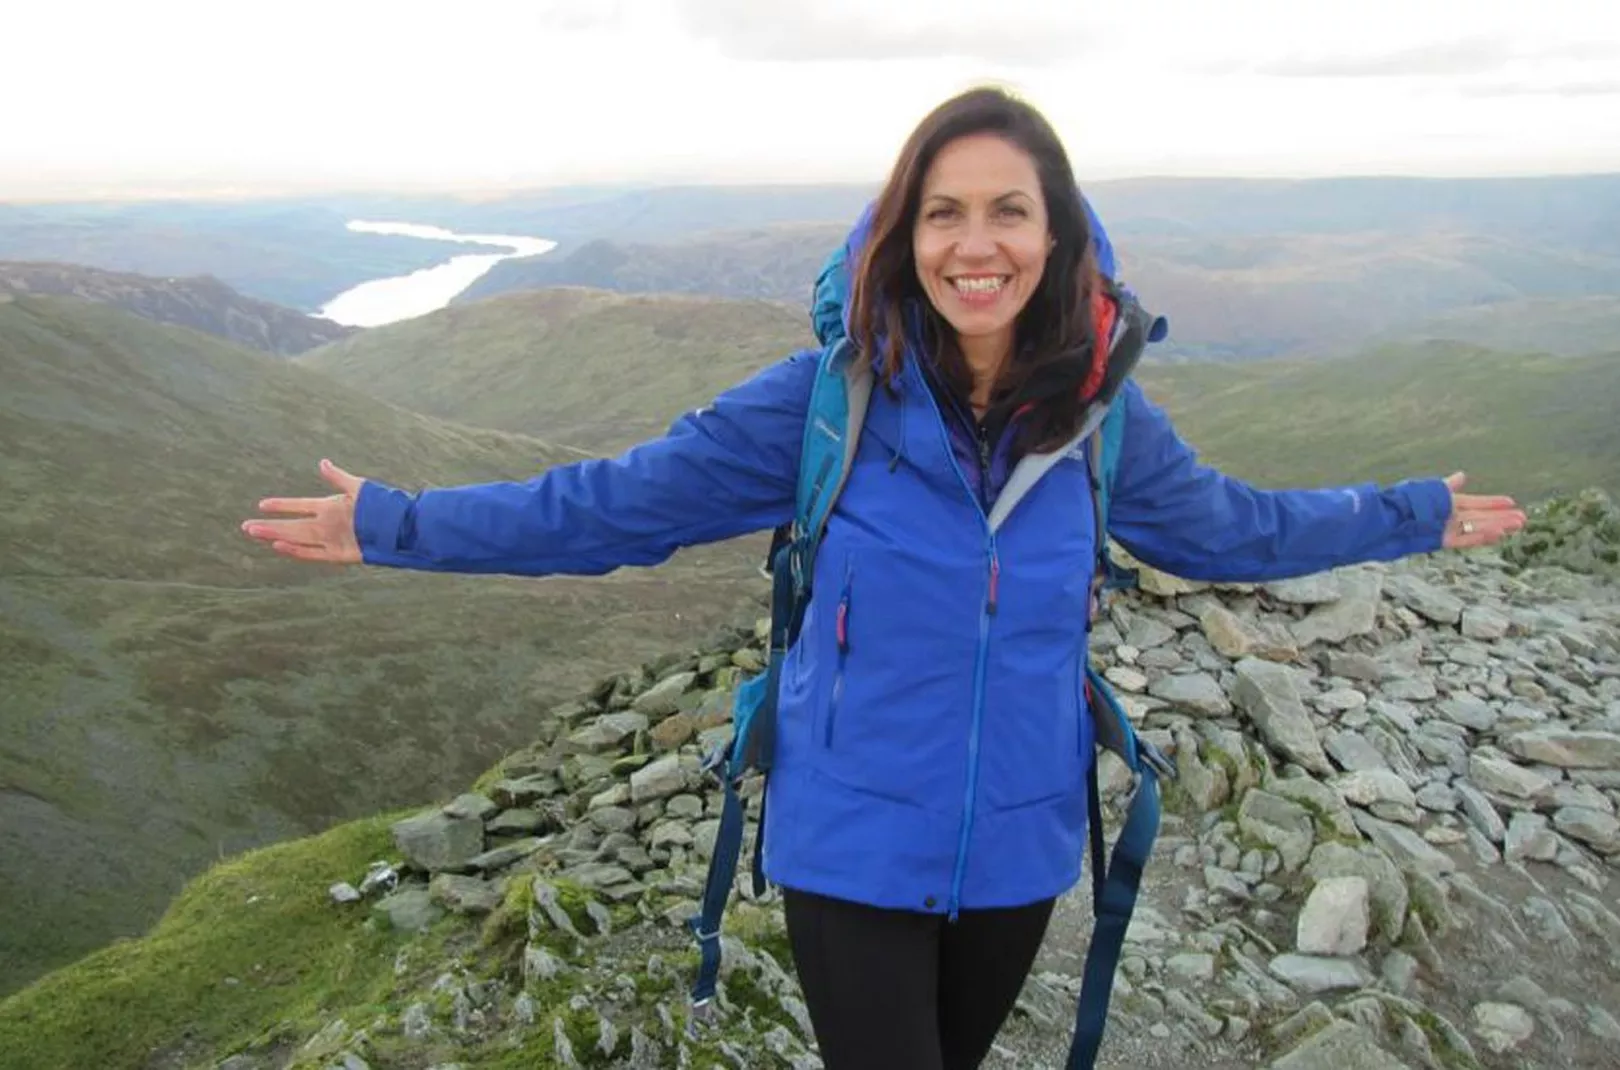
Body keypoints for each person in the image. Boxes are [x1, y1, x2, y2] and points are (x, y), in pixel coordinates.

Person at [242, 87, 1526, 1070]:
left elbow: (1236, 532)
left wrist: (1409, 513)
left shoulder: (1103, 422)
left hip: (1021, 842)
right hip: (850, 835)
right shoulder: (821, 407)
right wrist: (395, 523)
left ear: (1058, 236)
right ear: (904, 235)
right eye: (944, 211)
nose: (978, 242)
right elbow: (610, 507)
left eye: (1009, 211)